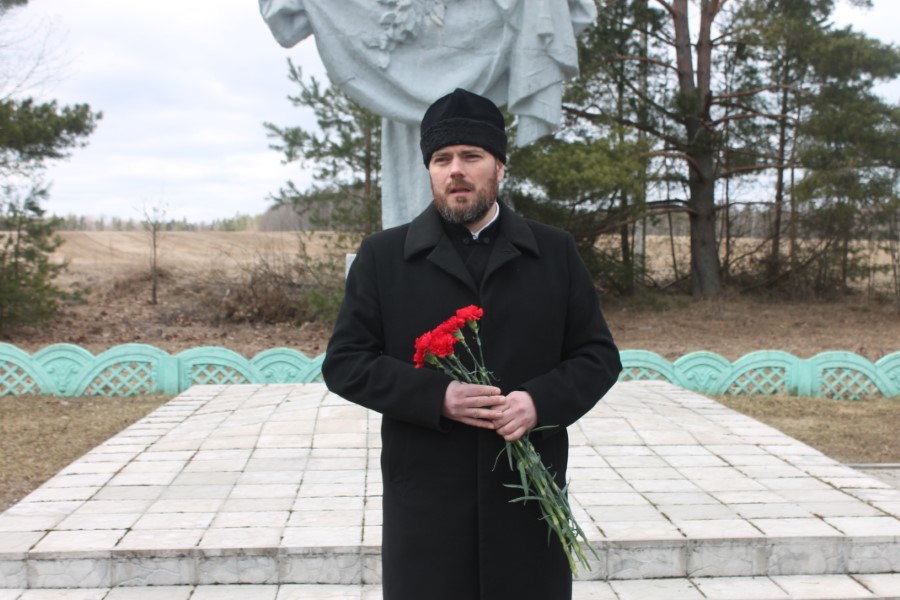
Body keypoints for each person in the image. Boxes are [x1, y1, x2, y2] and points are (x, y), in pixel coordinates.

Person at [321, 88, 622, 600]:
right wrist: (436, 396)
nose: (455, 170)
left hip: (528, 505)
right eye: (442, 159)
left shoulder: (554, 252)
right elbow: (345, 363)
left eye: (471, 156)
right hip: (427, 505)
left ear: (500, 167)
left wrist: (538, 402)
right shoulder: (383, 257)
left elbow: (598, 357)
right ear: (430, 170)